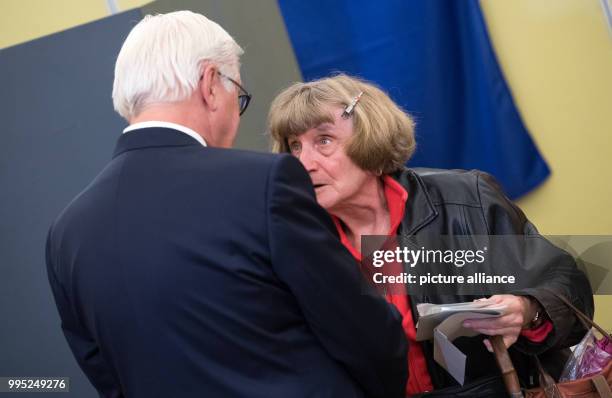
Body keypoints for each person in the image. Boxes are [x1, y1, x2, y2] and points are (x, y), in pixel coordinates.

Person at [45, 12, 408, 398]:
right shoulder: (264, 183)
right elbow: (363, 335)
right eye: (239, 94)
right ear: (210, 84)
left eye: (323, 141)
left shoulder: (65, 234)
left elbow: (108, 377)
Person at [268, 74, 594, 396]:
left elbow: (566, 284)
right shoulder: (300, 238)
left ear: (371, 136)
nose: (303, 162)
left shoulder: (466, 198)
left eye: (323, 141)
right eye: (294, 146)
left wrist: (526, 309)